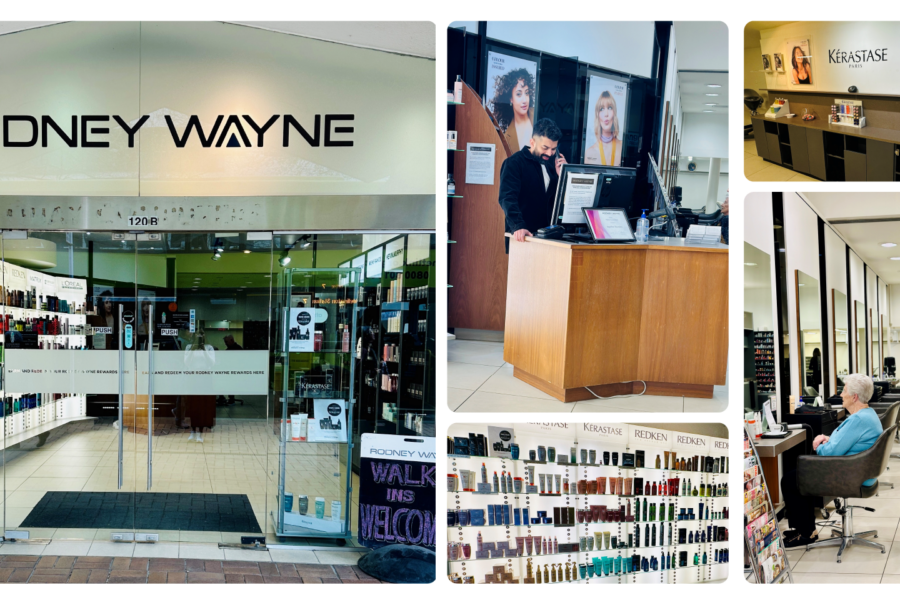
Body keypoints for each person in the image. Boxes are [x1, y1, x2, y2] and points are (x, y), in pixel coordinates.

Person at [780, 373, 883, 547]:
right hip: (860, 471)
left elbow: (828, 453)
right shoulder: (868, 414)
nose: (841, 394)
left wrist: (819, 444)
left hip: (851, 475)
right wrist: (829, 439)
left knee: (791, 480)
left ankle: (806, 533)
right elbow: (847, 441)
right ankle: (804, 528)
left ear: (854, 396)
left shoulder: (858, 419)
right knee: (800, 475)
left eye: (844, 391)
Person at [497, 118, 568, 252]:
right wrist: (518, 226)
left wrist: (564, 176)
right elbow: (507, 198)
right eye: (545, 148)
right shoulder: (514, 163)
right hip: (524, 237)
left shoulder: (553, 165)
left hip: (549, 240)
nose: (549, 153)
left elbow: (557, 201)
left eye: (553, 149)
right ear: (532, 142)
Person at [489, 67, 535, 155]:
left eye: (527, 93)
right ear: (511, 99)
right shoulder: (507, 137)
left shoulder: (537, 116)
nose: (524, 100)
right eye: (519, 94)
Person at [584, 91, 623, 166]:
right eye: (601, 109)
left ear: (614, 113)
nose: (606, 114)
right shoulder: (589, 153)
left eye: (610, 108)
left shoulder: (622, 148)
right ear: (597, 115)